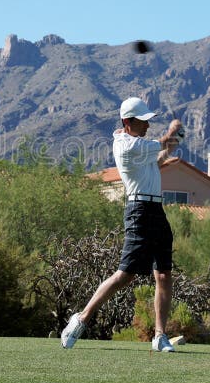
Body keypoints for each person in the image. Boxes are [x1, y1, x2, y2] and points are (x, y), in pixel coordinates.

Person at [61, 97, 183, 352]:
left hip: (156, 211)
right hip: (138, 211)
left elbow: (158, 158)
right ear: (128, 122)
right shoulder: (126, 145)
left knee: (163, 273)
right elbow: (161, 145)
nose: (148, 125)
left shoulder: (139, 145)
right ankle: (81, 319)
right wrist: (172, 132)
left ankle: (160, 336)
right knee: (125, 275)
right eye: (143, 121)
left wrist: (175, 140)